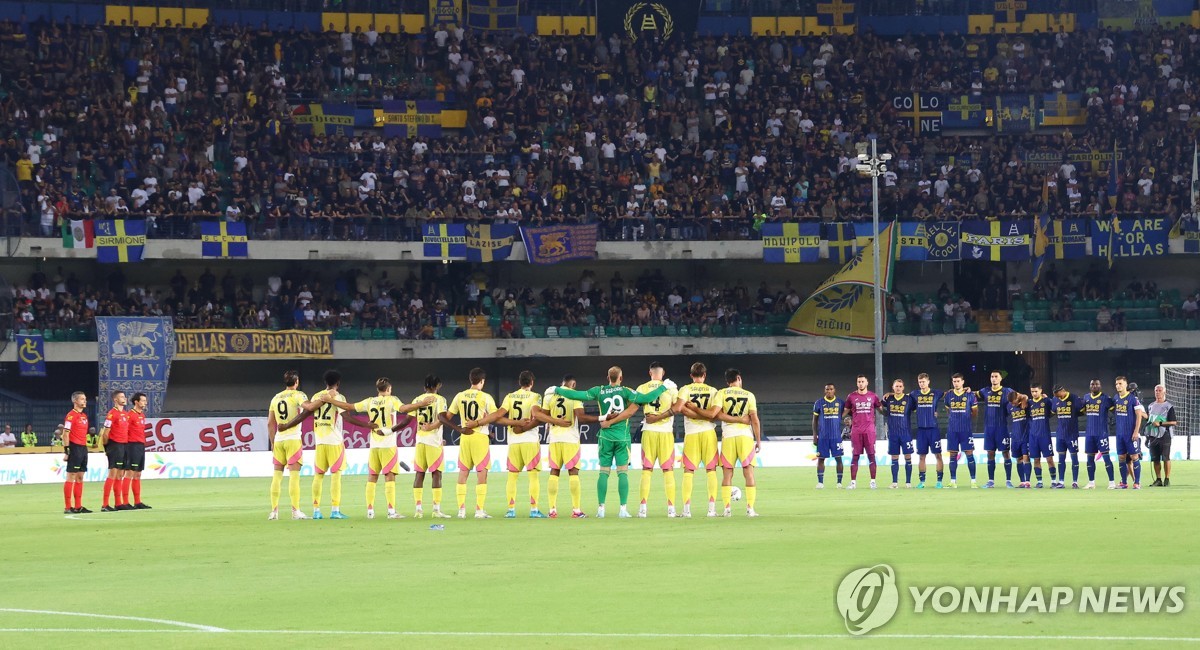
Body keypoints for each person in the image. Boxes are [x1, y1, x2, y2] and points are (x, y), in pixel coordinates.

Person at [554, 366, 667, 518]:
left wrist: (557, 389)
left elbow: (577, 395)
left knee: (603, 472)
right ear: (621, 378)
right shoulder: (626, 391)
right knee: (622, 473)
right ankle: (622, 509)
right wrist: (664, 387)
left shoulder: (599, 390)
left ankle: (601, 509)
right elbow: (646, 398)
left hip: (605, 436)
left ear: (608, 378)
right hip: (622, 437)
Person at [320, 378, 429, 518]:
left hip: (374, 445)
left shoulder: (369, 401)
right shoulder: (392, 400)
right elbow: (404, 409)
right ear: (389, 389)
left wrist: (331, 401)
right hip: (388, 444)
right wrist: (422, 403)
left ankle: (370, 511)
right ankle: (391, 511)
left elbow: (349, 407)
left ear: (378, 389)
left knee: (372, 476)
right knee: (389, 476)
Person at [278, 370, 375, 520]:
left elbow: (304, 414)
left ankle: (316, 510)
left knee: (318, 476)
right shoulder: (338, 396)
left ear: (325, 382)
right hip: (334, 441)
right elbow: (347, 417)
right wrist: (367, 425)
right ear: (338, 383)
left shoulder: (316, 396)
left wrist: (287, 425)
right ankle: (335, 510)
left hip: (320, 441)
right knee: (336, 475)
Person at [462, 370, 546, 519]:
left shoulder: (510, 397)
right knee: (533, 476)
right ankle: (534, 509)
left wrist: (478, 422)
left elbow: (498, 415)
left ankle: (511, 509)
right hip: (530, 440)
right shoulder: (536, 396)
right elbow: (536, 414)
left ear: (519, 383)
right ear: (532, 383)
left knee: (512, 476)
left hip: (513, 441)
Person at [694, 368, 760, 516]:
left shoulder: (722, 393)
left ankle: (727, 509)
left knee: (727, 474)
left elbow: (716, 414)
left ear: (727, 381)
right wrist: (759, 440)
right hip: (745, 437)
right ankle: (750, 509)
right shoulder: (749, 395)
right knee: (748, 473)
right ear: (738, 378)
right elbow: (754, 419)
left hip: (728, 436)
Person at [439, 368, 499, 519]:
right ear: (482, 381)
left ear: (470, 379)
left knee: (463, 472)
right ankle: (479, 510)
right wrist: (483, 419)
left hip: (465, 436)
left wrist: (459, 428)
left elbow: (447, 416)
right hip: (480, 436)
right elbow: (495, 416)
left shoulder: (460, 396)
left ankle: (461, 510)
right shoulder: (485, 397)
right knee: (482, 472)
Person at [540, 374, 597, 518]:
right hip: (570, 439)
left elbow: (542, 416)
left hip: (554, 438)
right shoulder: (574, 396)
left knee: (554, 471)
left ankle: (552, 510)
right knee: (573, 472)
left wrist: (554, 421)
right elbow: (582, 417)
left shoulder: (550, 396)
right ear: (573, 384)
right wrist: (600, 419)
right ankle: (576, 510)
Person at [673, 363, 722, 517]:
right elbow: (712, 414)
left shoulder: (685, 389)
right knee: (711, 470)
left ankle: (686, 510)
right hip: (708, 432)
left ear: (691, 375)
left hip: (692, 433)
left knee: (688, 471)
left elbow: (679, 408)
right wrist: (704, 415)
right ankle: (712, 509)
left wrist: (693, 411)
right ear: (705, 375)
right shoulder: (713, 391)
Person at [635, 362, 679, 518]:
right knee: (668, 471)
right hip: (666, 432)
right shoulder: (672, 388)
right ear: (663, 372)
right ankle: (671, 509)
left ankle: (643, 508)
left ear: (650, 373)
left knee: (647, 470)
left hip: (649, 432)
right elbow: (677, 407)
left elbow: (637, 402)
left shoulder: (642, 387)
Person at [267, 370, 309, 520]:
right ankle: (295, 511)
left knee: (277, 476)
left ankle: (274, 511)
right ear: (296, 382)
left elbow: (270, 423)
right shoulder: (298, 395)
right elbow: (307, 407)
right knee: (294, 476)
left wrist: (273, 442)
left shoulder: (275, 397)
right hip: (293, 439)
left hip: (279, 440)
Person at [411, 375, 452, 518]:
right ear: (438, 386)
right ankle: (436, 510)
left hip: (420, 440)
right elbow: (442, 418)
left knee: (419, 474)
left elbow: (409, 418)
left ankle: (418, 510)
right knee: (436, 473)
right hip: (434, 442)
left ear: (424, 387)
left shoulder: (417, 400)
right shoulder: (440, 399)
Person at [975, 371, 1014, 488]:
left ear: (1001, 378)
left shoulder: (1008, 391)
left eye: (996, 376)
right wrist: (964, 390)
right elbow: (972, 394)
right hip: (989, 428)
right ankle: (991, 481)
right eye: (992, 376)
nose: (994, 379)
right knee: (990, 453)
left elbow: (1020, 397)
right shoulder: (985, 391)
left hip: (1002, 427)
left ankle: (1008, 480)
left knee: (1006, 453)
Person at [842, 375, 881, 489]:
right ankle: (853, 483)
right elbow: (845, 411)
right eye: (859, 381)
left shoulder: (873, 396)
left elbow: (881, 410)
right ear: (857, 383)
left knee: (871, 456)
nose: (860, 383)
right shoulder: (851, 396)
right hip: (856, 431)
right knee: (855, 456)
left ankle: (873, 482)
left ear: (867, 382)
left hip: (869, 431)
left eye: (862, 381)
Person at [1081, 378, 1117, 489]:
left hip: (1102, 433)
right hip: (1090, 433)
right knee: (1090, 458)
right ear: (1090, 386)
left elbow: (1115, 411)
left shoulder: (1105, 398)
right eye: (1092, 384)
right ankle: (1091, 482)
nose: (1094, 386)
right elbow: (1082, 410)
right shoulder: (1086, 397)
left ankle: (1112, 482)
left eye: (1097, 384)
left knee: (1106, 457)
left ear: (1100, 386)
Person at [911, 373, 944, 489]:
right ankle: (922, 481)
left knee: (938, 455)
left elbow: (951, 392)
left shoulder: (936, 393)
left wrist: (966, 389)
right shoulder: (914, 394)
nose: (922, 384)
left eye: (923, 382)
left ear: (928, 382)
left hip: (934, 429)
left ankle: (939, 481)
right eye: (920, 382)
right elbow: (902, 396)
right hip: (921, 431)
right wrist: (890, 393)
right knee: (921, 457)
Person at [99, 390, 131, 512]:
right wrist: (107, 447)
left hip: (124, 445)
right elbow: (105, 433)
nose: (125, 398)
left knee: (120, 474)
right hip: (115, 445)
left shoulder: (125, 414)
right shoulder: (112, 414)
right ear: (115, 400)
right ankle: (105, 504)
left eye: (125, 396)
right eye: (122, 397)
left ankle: (118, 503)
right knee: (112, 473)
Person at [881, 379, 915, 489]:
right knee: (894, 458)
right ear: (893, 387)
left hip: (906, 433)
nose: (898, 388)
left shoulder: (909, 399)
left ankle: (908, 482)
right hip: (893, 434)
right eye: (896, 386)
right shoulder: (888, 399)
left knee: (908, 457)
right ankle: (894, 482)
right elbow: (879, 406)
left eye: (900, 386)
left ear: (903, 388)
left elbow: (918, 405)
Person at [1112, 376, 1145, 489]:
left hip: (1130, 434)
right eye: (1116, 384)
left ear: (1126, 384)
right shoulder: (1116, 398)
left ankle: (1137, 483)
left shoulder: (1132, 399)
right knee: (1121, 457)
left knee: (1134, 456)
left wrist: (1136, 432)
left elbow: (1139, 415)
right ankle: (1124, 483)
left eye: (1120, 383)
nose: (1118, 386)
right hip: (1120, 434)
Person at [61, 392, 91, 514]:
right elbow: (65, 434)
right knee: (71, 476)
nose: (85, 401)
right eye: (82, 399)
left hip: (83, 448)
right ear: (75, 401)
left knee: (80, 477)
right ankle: (68, 507)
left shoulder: (84, 416)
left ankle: (78, 506)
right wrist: (67, 450)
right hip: (74, 448)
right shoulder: (71, 416)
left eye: (85, 399)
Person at [1025, 384, 1059, 488]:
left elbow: (1054, 408)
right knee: (1036, 459)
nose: (1034, 393)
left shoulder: (1046, 401)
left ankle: (1053, 481)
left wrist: (1048, 397)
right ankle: (1039, 482)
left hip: (1045, 435)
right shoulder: (1029, 403)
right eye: (1032, 392)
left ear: (1040, 391)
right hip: (1033, 436)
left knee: (1049, 459)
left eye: (1036, 391)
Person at [812, 383, 845, 489]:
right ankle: (820, 482)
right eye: (827, 389)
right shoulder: (819, 403)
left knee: (838, 459)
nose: (829, 391)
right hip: (823, 437)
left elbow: (849, 412)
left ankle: (839, 482)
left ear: (834, 390)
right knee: (821, 459)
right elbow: (814, 420)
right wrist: (814, 434)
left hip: (836, 436)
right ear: (824, 390)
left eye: (831, 389)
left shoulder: (840, 403)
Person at [1052, 385, 1084, 488]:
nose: (1058, 398)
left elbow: (1082, 411)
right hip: (1060, 434)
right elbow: (1053, 411)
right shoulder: (1055, 400)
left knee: (1074, 457)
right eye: (1056, 396)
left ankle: (1075, 481)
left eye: (1058, 395)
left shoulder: (1074, 398)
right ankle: (1061, 481)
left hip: (1072, 434)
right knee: (1061, 459)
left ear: (1063, 391)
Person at [1144, 384, 1176, 487]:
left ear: (1164, 392)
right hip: (1153, 435)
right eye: (1156, 390)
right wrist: (1147, 436)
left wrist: (1160, 424)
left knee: (1166, 458)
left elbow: (1174, 422)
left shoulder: (1169, 406)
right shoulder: (1150, 406)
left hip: (1165, 435)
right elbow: (1149, 421)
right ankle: (1158, 479)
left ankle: (1167, 479)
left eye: (1160, 390)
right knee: (1155, 458)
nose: (1157, 392)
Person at [124, 392, 150, 508]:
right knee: (130, 472)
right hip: (132, 445)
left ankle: (137, 501)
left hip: (140, 445)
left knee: (138, 474)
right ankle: (125, 501)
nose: (145, 403)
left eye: (145, 400)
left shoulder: (142, 415)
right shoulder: (130, 415)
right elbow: (125, 430)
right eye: (143, 400)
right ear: (136, 402)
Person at [1007, 391, 1031, 488]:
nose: (1013, 404)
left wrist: (1024, 397)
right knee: (1018, 459)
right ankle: (1022, 481)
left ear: (1018, 397)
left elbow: (1024, 395)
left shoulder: (1026, 403)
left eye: (1014, 401)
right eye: (1011, 403)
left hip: (1026, 435)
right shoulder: (1009, 406)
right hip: (1015, 436)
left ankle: (1028, 481)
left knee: (1026, 458)